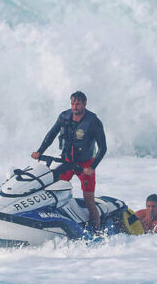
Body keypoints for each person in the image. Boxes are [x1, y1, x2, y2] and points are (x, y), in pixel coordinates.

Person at [31, 91, 106, 232]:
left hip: (85, 165)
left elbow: (103, 148)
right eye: (72, 103)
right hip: (66, 162)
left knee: (89, 200)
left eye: (77, 103)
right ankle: (50, 222)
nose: (74, 106)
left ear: (85, 103)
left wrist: (93, 167)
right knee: (51, 191)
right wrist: (40, 151)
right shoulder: (64, 116)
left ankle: (97, 230)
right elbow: (51, 134)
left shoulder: (93, 122)